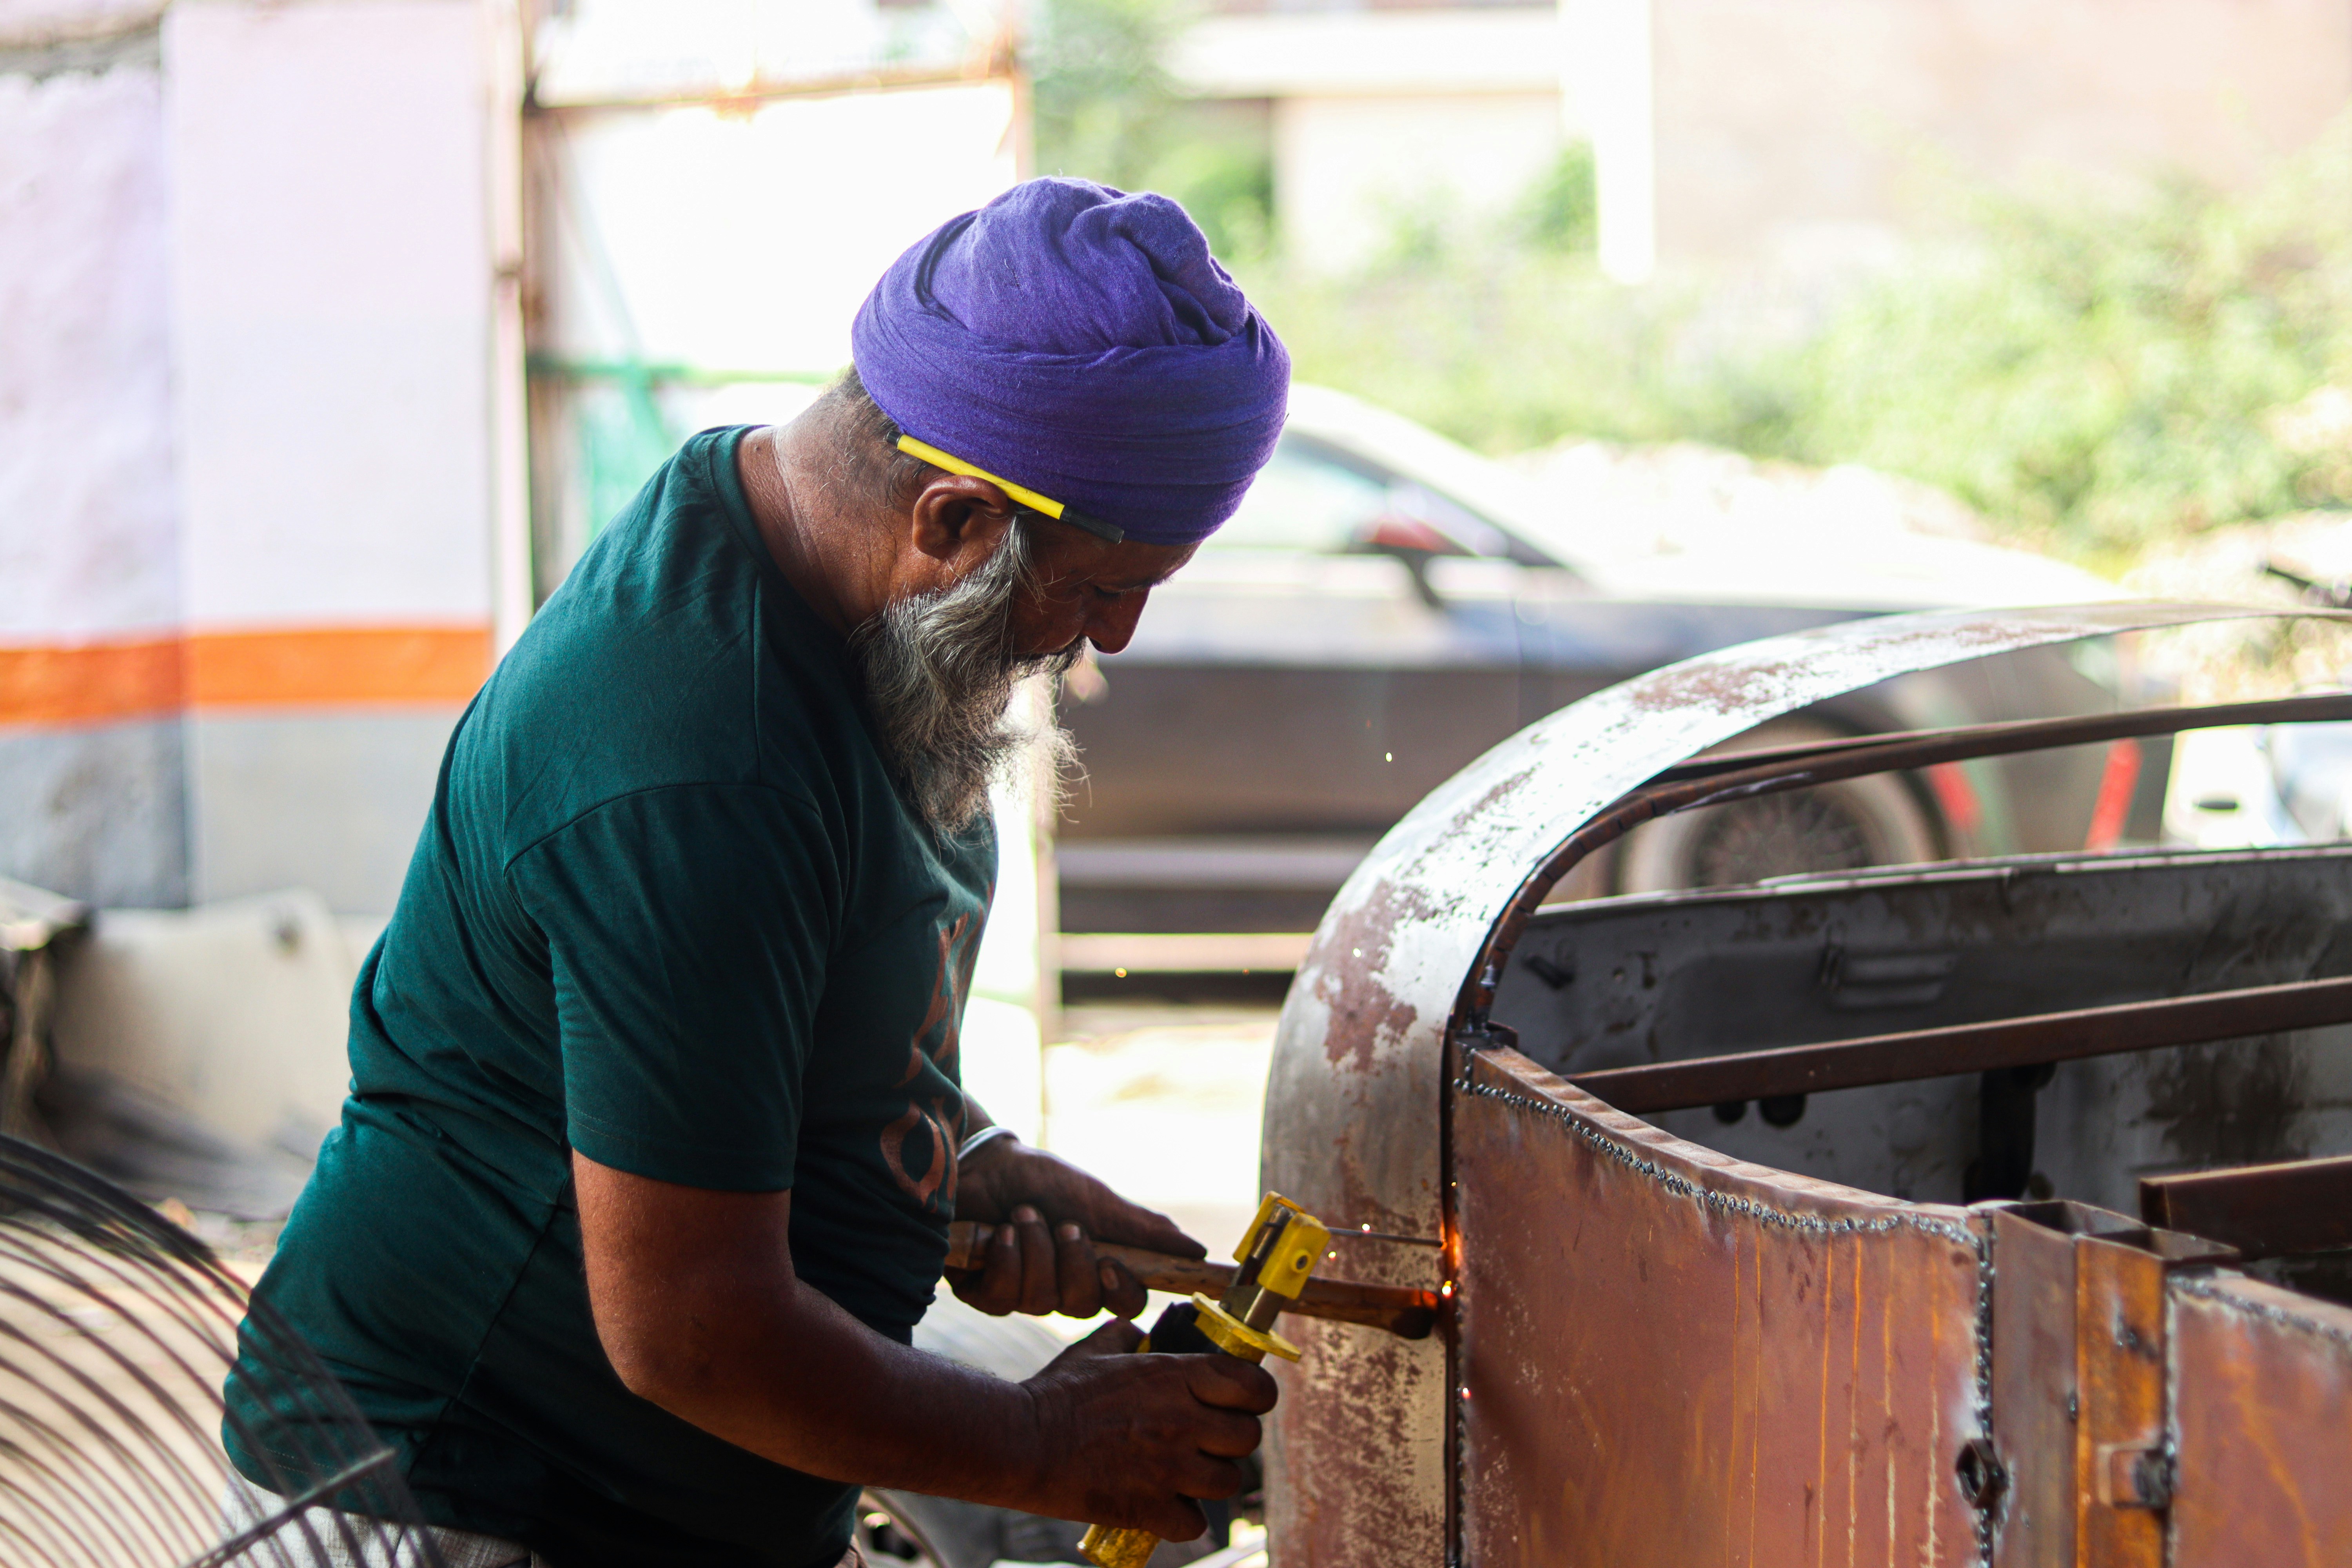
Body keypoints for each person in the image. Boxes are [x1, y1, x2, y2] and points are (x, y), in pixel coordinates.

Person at [222, 178, 1292, 1568]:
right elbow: (693, 1331)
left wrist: (960, 1166)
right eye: (1097, 589)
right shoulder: (694, 753)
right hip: (467, 1493)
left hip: (669, 1487)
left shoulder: (839, 586)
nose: (1119, 638)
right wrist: (1053, 1446)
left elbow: (771, 1021)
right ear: (956, 521)